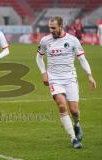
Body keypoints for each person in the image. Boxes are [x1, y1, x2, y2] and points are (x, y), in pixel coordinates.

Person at [36, 16, 96, 149]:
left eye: (54, 28)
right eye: (50, 28)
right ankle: (73, 139)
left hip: (70, 78)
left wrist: (90, 76)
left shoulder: (73, 40)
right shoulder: (45, 40)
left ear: (61, 26)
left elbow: (82, 59)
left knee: (74, 110)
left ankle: (77, 124)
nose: (51, 30)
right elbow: (39, 58)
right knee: (62, 106)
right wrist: (43, 73)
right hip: (54, 78)